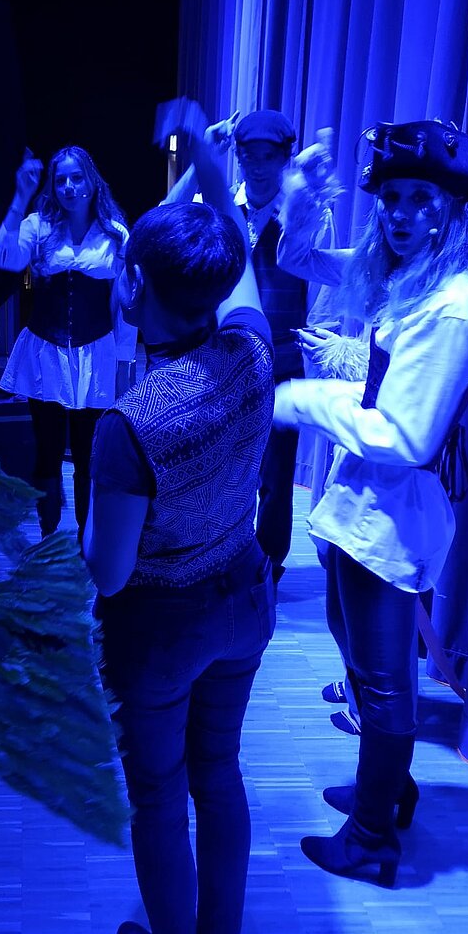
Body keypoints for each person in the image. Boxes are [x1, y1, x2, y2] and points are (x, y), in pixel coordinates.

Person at [85, 99, 276, 934]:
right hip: (243, 594)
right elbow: (237, 252)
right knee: (220, 774)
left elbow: (109, 572)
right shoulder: (251, 349)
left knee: (159, 798)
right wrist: (206, 160)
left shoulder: (130, 423)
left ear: (132, 287)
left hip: (161, 626)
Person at [272, 118, 468, 886]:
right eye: (391, 197)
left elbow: (406, 437)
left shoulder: (453, 304)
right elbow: (299, 261)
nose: (401, 213)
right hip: (363, 501)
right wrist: (301, 200)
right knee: (353, 646)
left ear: (451, 208)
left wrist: (304, 398)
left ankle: (370, 841)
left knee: (385, 681)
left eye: (421, 198)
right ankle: (386, 793)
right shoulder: (412, 274)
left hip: (395, 511)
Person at [162, 108, 335, 582]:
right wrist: (202, 158)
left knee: (276, 479)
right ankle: (216, 561)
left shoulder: (306, 212)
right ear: (237, 156)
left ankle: (268, 571)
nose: (258, 166)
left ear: (285, 158)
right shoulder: (216, 204)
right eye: (248, 155)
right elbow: (162, 218)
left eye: (268, 156)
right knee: (219, 467)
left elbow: (322, 294)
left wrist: (312, 359)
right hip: (218, 360)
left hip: (282, 360)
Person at [0, 145, 134, 540]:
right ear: (52, 187)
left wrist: (124, 362)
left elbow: (124, 303)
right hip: (46, 352)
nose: (68, 186)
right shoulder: (38, 227)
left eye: (76, 177)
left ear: (92, 181)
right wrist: (20, 198)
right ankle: (48, 539)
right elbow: (1, 256)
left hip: (96, 352)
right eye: (60, 180)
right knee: (48, 450)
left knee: (88, 455)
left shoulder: (114, 233)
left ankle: (88, 542)